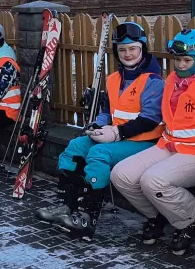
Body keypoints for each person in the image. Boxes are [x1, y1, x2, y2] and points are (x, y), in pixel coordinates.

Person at [111, 29, 195, 256]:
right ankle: (157, 215)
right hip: (170, 145)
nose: (180, 65)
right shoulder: (172, 80)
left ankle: (188, 220)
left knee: (154, 180)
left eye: (186, 60)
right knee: (121, 175)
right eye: (177, 59)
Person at [37, 21, 165, 240]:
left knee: (99, 154)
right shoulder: (114, 78)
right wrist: (98, 124)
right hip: (116, 136)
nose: (128, 54)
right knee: (75, 147)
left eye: (133, 48)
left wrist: (116, 133)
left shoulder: (153, 81)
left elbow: (150, 120)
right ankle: (67, 206)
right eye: (122, 50)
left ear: (143, 48)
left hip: (142, 141)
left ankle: (88, 216)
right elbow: (108, 110)